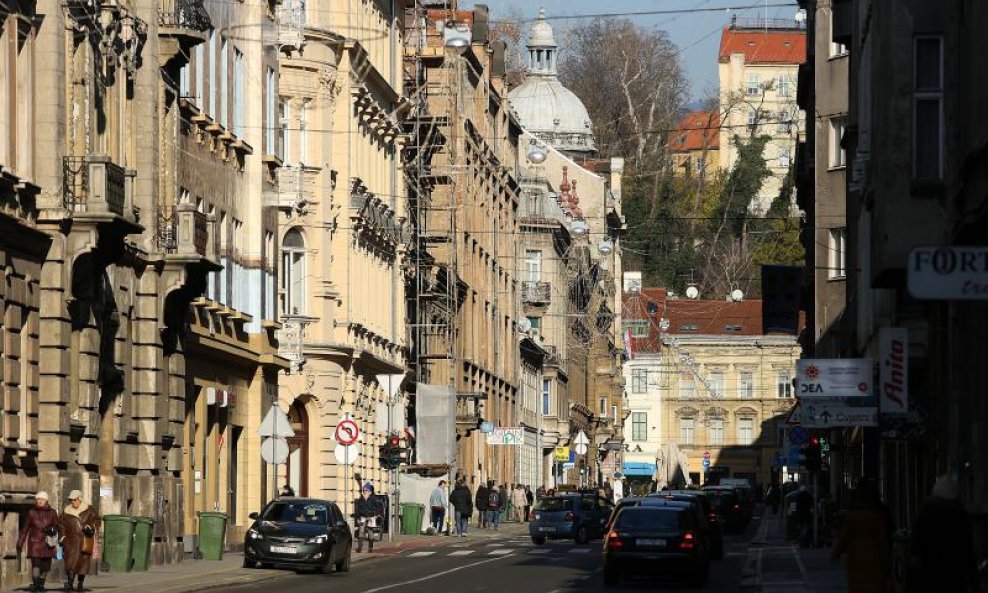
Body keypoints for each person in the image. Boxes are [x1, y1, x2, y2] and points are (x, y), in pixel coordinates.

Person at [909, 477, 978, 593]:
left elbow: (916, 551)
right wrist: (974, 582)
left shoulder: (925, 514)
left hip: (928, 578)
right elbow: (968, 552)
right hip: (954, 580)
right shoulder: (960, 516)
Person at [830, 480, 894, 593]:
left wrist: (836, 553)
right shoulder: (878, 515)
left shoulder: (852, 516)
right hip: (875, 559)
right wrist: (888, 559)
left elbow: (843, 537)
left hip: (855, 559)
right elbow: (884, 539)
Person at [58, 490, 101, 592]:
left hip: (84, 540)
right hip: (70, 541)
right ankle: (69, 584)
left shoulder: (89, 509)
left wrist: (91, 528)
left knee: (83, 564)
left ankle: (80, 584)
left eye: (75, 499)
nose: (73, 502)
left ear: (80, 499)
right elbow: (60, 524)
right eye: (71, 500)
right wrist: (63, 536)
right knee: (70, 563)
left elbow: (97, 520)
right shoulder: (66, 511)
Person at [17, 491, 59, 592]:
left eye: (42, 499)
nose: (40, 501)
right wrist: (20, 542)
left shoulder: (52, 512)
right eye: (38, 499)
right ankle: (36, 587)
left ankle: (41, 585)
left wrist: (52, 530)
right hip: (35, 543)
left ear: (46, 500)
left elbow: (57, 526)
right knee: (36, 565)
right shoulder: (31, 512)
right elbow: (25, 529)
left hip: (47, 543)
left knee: (45, 567)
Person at [354, 483, 384, 553]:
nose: (364, 491)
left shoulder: (373, 498)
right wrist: (358, 518)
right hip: (363, 517)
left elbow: (379, 507)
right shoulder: (361, 499)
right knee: (361, 531)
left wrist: (376, 515)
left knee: (370, 532)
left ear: (370, 491)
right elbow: (358, 509)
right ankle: (359, 548)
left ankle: (370, 548)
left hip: (371, 518)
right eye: (363, 490)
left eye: (366, 490)